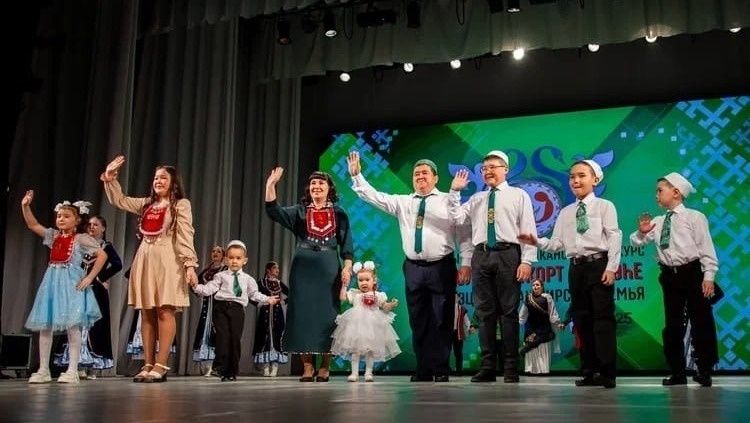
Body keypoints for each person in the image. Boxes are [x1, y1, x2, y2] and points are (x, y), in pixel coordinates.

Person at [348, 151, 473, 383]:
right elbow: (374, 196)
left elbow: (464, 235)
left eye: (425, 173)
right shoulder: (403, 202)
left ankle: (441, 368)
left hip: (441, 266)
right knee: (418, 319)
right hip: (414, 268)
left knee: (442, 318)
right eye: (416, 174)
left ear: (436, 178)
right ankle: (423, 368)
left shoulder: (449, 200)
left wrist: (466, 263)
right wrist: (357, 177)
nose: (420, 177)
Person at [517, 159, 621, 389]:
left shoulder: (604, 206)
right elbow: (557, 244)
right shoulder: (565, 212)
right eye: (572, 176)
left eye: (582, 175)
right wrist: (536, 241)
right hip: (576, 268)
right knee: (581, 320)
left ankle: (607, 372)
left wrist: (611, 267)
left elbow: (614, 237)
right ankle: (589, 371)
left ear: (595, 179)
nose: (575, 180)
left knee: (602, 319)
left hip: (599, 264)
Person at [101, 155, 199, 383]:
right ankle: (147, 363)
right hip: (145, 258)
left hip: (168, 260)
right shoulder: (147, 204)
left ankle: (161, 364)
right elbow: (120, 200)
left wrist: (189, 265)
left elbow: (186, 234)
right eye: (156, 178)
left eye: (163, 178)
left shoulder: (181, 205)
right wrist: (110, 178)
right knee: (146, 311)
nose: (158, 181)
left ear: (173, 183)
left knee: (165, 310)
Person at [450, 150, 537, 383]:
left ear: (505, 169)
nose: (487, 171)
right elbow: (456, 218)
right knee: (484, 313)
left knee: (508, 313)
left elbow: (528, 229)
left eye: (493, 167)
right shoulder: (477, 198)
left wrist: (527, 260)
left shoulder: (518, 195)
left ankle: (510, 367)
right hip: (481, 255)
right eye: (484, 168)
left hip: (508, 254)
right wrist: (455, 192)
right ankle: (487, 366)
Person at [629, 172, 719, 387]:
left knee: (701, 321)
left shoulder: (695, 217)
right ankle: (677, 371)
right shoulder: (658, 221)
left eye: (660, 190)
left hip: (693, 273)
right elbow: (636, 241)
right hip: (670, 276)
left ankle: (704, 369)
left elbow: (706, 249)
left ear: (676, 192)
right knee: (673, 325)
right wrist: (641, 233)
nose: (656, 195)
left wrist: (708, 276)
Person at [265, 167, 353, 382]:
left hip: (328, 267)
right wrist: (270, 185)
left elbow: (347, 244)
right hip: (303, 268)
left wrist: (347, 267)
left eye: (321, 183)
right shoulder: (300, 212)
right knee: (302, 315)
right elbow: (274, 211)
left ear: (329, 188)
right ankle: (307, 366)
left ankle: (325, 366)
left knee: (328, 316)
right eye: (313, 183)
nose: (316, 186)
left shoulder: (339, 213)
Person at [21, 192, 107, 384]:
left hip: (71, 284)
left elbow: (102, 255)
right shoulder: (53, 236)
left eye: (66, 216)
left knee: (72, 325)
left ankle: (72, 370)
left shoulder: (81, 239)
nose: (61, 219)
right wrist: (25, 206)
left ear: (77, 221)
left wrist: (90, 277)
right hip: (52, 282)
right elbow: (33, 225)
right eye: (59, 216)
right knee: (45, 325)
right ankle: (43, 369)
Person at [190, 240, 280, 381]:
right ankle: (219, 367)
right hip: (220, 308)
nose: (234, 261)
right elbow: (209, 289)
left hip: (237, 310)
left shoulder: (248, 279)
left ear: (245, 260)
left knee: (235, 339)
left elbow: (254, 294)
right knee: (222, 337)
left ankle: (231, 371)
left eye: (238, 258)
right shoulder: (220, 276)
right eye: (231, 258)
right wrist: (196, 287)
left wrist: (268, 299)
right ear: (226, 259)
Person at [54, 214, 123, 379]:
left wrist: (100, 278)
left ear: (103, 228)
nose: (92, 227)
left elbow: (117, 265)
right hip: (78, 287)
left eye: (96, 225)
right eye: (90, 224)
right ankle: (75, 365)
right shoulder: (81, 243)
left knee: (93, 327)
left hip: (95, 290)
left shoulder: (106, 246)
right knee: (75, 324)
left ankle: (90, 365)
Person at [331, 261, 401, 382]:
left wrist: (391, 304)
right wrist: (344, 285)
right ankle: (354, 373)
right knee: (355, 350)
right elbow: (342, 298)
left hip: (372, 325)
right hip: (357, 325)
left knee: (370, 350)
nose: (363, 283)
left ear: (374, 280)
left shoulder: (378, 295)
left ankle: (368, 373)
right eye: (360, 280)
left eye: (367, 280)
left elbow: (384, 307)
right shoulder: (355, 293)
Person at [193, 245, 227, 376]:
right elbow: (194, 284)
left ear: (223, 255)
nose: (215, 253)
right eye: (213, 251)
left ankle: (216, 366)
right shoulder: (206, 271)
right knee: (205, 332)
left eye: (218, 251)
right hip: (207, 306)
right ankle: (206, 365)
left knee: (217, 333)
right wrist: (199, 292)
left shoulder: (225, 270)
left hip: (220, 306)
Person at [252, 261, 289, 377]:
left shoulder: (279, 283)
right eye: (274, 268)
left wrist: (283, 302)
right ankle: (265, 366)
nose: (277, 270)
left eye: (278, 268)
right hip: (265, 314)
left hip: (277, 315)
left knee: (277, 337)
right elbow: (251, 294)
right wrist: (259, 303)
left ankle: (275, 366)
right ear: (268, 270)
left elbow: (291, 293)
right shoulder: (261, 283)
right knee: (264, 337)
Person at [518, 279, 564, 375]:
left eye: (537, 285)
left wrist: (557, 323)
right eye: (533, 285)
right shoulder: (528, 298)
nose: (535, 287)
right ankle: (530, 370)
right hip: (531, 327)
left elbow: (552, 313)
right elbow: (522, 314)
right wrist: (518, 322)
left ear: (542, 287)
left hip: (543, 327)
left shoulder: (547, 297)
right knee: (531, 348)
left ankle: (543, 370)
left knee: (542, 347)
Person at [451, 294, 474, 375]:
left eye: (456, 297)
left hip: (458, 333)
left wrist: (470, 327)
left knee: (458, 352)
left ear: (458, 298)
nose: (454, 298)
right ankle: (444, 371)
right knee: (445, 352)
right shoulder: (446, 308)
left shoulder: (462, 309)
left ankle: (459, 370)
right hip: (448, 333)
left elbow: (466, 320)